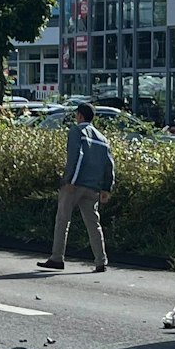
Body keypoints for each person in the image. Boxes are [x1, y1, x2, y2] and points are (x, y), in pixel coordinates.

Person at [39, 102, 112, 272]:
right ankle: (101, 261)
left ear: (79, 116)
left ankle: (57, 258)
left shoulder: (76, 131)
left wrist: (70, 179)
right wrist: (106, 188)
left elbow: (76, 156)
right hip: (93, 187)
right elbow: (109, 165)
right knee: (94, 223)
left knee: (63, 219)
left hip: (75, 185)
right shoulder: (102, 138)